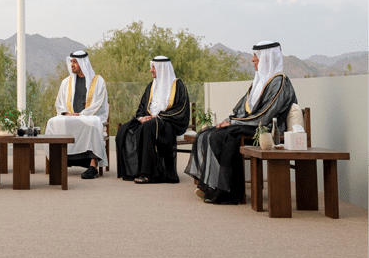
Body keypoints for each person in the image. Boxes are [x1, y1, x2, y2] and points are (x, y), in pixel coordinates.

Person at [184, 41, 297, 204]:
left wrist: (233, 123)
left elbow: (266, 115)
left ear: (267, 58)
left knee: (227, 136)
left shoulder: (279, 82)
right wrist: (229, 120)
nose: (252, 60)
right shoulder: (260, 81)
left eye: (256, 56)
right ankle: (212, 186)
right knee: (208, 133)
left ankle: (230, 192)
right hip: (251, 125)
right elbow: (242, 109)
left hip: (266, 129)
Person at [115, 56, 190, 184]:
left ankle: (148, 174)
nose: (151, 70)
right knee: (125, 129)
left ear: (162, 68)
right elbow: (142, 107)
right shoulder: (151, 86)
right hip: (151, 121)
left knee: (149, 127)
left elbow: (180, 108)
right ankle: (132, 171)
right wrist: (141, 118)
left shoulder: (178, 85)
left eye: (154, 67)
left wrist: (159, 116)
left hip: (169, 122)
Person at [44, 50, 109, 179]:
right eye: (71, 62)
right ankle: (58, 161)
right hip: (69, 116)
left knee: (93, 124)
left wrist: (83, 114)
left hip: (90, 116)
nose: (72, 65)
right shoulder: (66, 82)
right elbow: (59, 103)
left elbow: (99, 103)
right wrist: (66, 113)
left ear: (83, 63)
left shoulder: (98, 81)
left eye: (75, 62)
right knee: (53, 122)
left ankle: (93, 165)